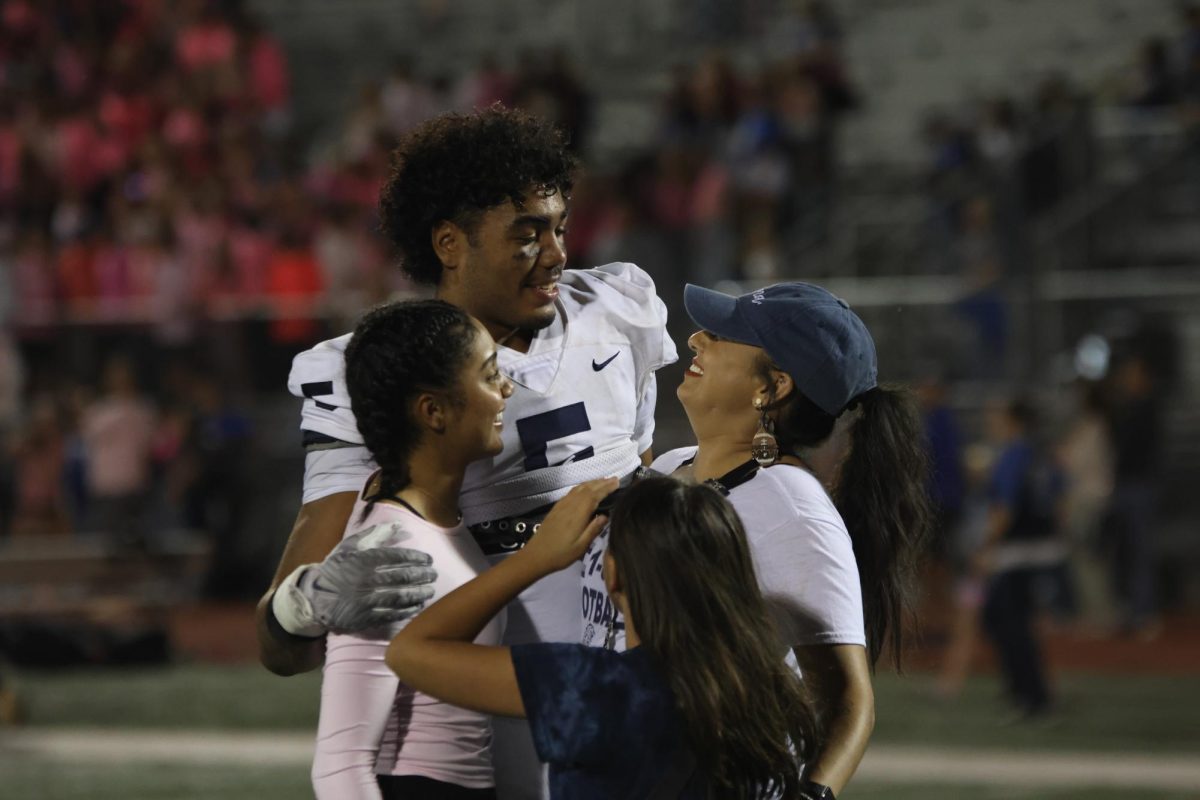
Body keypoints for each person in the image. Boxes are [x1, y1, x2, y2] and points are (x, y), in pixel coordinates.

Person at [257, 106, 676, 799]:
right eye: (526, 234)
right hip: (490, 713)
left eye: (559, 227)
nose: (557, 253)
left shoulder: (614, 314)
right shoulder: (380, 373)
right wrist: (306, 605)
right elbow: (283, 641)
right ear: (450, 243)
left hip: (622, 682)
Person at [580, 283, 932, 798]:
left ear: (772, 388)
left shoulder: (793, 508)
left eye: (723, 335)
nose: (698, 338)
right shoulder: (674, 466)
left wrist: (812, 795)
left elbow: (848, 700)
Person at [389, 475, 821, 799]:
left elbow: (410, 651)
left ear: (613, 574)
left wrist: (534, 560)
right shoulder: (777, 698)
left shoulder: (594, 688)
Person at [311, 300, 511, 798]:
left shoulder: (431, 515)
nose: (507, 389)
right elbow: (339, 767)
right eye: (490, 377)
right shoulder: (393, 553)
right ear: (433, 411)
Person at [975, 398, 1064, 719]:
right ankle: (1023, 690)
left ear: (1013, 421)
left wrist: (986, 547)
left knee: (1011, 625)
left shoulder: (1013, 455)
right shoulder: (1042, 454)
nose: (993, 423)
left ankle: (1032, 698)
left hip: (1017, 553)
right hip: (1042, 549)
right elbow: (1059, 497)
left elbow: (1005, 508)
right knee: (1010, 622)